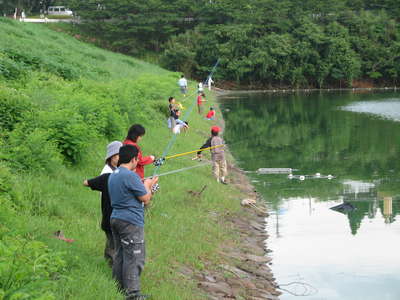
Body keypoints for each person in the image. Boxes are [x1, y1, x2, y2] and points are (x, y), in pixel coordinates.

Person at [109, 145, 158, 300]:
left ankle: (118, 288)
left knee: (121, 255)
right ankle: (133, 294)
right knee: (135, 257)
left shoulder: (114, 174)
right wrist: (148, 185)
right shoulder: (130, 176)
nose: (138, 162)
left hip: (115, 218)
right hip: (130, 221)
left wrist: (147, 187)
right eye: (137, 159)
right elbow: (145, 198)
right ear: (133, 159)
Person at [82, 141, 122, 265]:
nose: (121, 158)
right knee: (112, 241)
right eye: (118, 156)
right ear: (112, 157)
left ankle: (111, 261)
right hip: (110, 212)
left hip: (115, 213)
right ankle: (111, 264)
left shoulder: (116, 170)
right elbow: (89, 183)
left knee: (113, 240)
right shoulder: (107, 173)